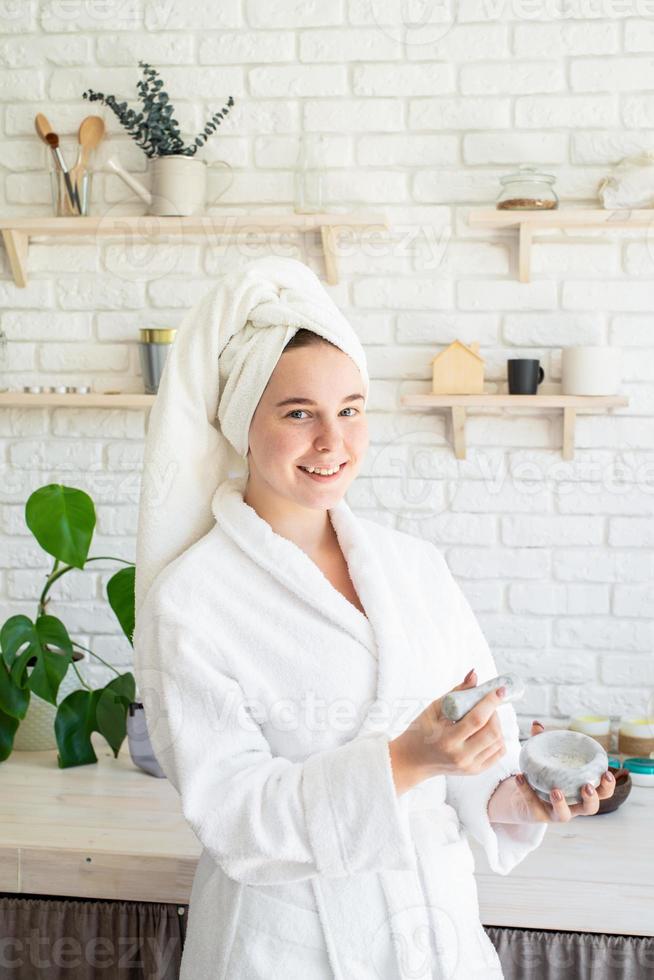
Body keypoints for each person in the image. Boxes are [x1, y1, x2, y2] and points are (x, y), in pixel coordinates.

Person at [133, 257, 616, 980]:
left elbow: (480, 755)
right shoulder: (192, 601)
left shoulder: (414, 568)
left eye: (351, 409)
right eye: (299, 413)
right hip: (284, 946)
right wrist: (405, 760)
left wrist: (528, 798)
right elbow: (233, 815)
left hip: (434, 938)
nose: (333, 441)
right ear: (243, 422)